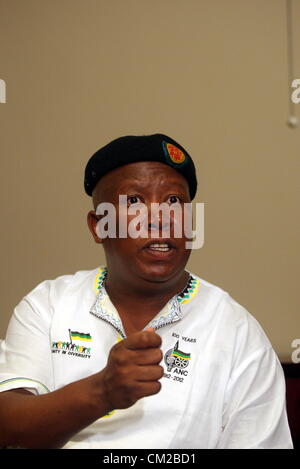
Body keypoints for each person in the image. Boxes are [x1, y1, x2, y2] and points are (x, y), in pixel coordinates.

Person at [0, 134, 293, 449]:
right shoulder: (48, 305)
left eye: (173, 201)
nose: (160, 219)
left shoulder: (237, 332)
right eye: (134, 201)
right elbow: (9, 428)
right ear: (98, 225)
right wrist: (102, 391)